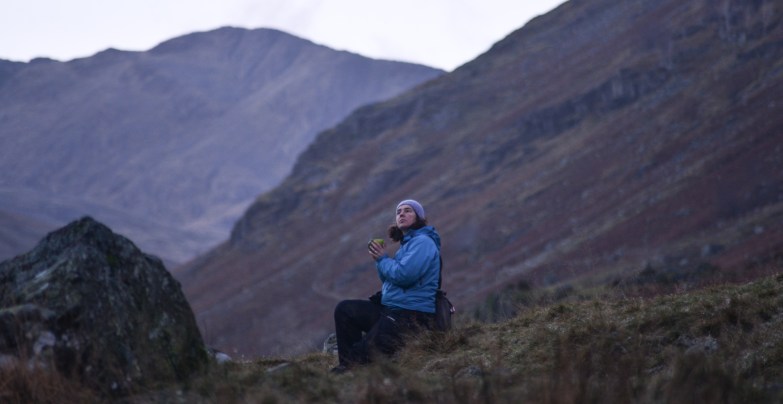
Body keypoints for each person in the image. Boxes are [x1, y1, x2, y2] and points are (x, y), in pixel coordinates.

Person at [331, 199, 441, 373]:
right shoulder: (407, 246)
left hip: (412, 317)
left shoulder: (423, 242)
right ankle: (347, 366)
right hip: (392, 310)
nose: (402, 214)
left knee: (361, 354)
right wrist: (379, 260)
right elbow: (391, 281)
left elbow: (404, 276)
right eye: (398, 212)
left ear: (419, 217)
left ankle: (350, 367)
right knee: (345, 310)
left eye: (408, 211)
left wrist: (383, 259)